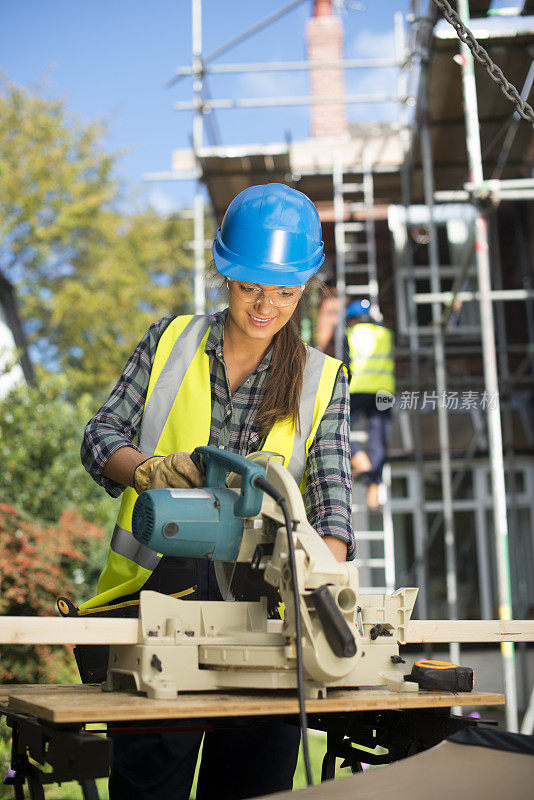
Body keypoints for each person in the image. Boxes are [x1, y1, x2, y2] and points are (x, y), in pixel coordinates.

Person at [77, 183, 354, 800]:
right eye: (250, 287)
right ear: (223, 274)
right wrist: (148, 471)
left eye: (283, 291)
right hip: (158, 608)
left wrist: (321, 580)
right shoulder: (169, 344)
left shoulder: (320, 380)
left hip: (264, 626)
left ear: (304, 288)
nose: (265, 306)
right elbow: (100, 435)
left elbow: (332, 499)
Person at [345, 299, 395, 510]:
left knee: (341, 425)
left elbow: (343, 362)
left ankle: (357, 455)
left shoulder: (349, 335)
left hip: (357, 388)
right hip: (384, 391)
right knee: (380, 436)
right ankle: (374, 483)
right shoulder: (386, 335)